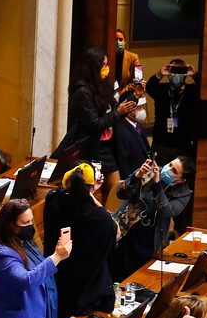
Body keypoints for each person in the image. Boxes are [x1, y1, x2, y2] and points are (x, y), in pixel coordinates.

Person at [43, 163, 117, 318]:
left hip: (57, 283)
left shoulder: (53, 201)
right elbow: (116, 231)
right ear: (91, 187)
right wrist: (92, 196)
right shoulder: (101, 219)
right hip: (88, 292)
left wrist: (86, 191)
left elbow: (60, 193)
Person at [64, 48, 136, 201]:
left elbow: (115, 107)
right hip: (92, 148)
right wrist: (118, 113)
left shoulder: (101, 84)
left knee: (116, 191)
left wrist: (135, 95)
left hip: (107, 145)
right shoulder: (82, 92)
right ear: (93, 67)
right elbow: (95, 123)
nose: (106, 68)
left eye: (107, 64)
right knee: (94, 193)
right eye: (103, 65)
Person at [109, 156, 194, 282]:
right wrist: (137, 176)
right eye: (170, 165)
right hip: (125, 230)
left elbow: (166, 211)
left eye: (174, 171)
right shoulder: (149, 171)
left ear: (181, 180)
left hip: (149, 239)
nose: (168, 169)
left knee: (138, 278)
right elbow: (120, 193)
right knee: (115, 272)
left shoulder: (184, 193)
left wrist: (157, 185)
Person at [146, 59, 199, 166]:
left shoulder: (192, 91)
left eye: (180, 71)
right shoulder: (162, 89)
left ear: (185, 75)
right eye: (174, 70)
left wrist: (195, 75)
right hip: (161, 143)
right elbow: (149, 87)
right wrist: (160, 74)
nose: (176, 75)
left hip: (184, 144)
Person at [111, 92, 151, 179]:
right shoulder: (120, 130)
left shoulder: (137, 124)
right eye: (139, 108)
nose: (142, 110)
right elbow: (123, 161)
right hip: (132, 177)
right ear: (128, 110)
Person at [114, 29, 141, 95]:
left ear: (125, 42)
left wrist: (120, 93)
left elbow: (139, 80)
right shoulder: (106, 57)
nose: (118, 42)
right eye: (115, 40)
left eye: (120, 40)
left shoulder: (134, 57)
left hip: (126, 94)